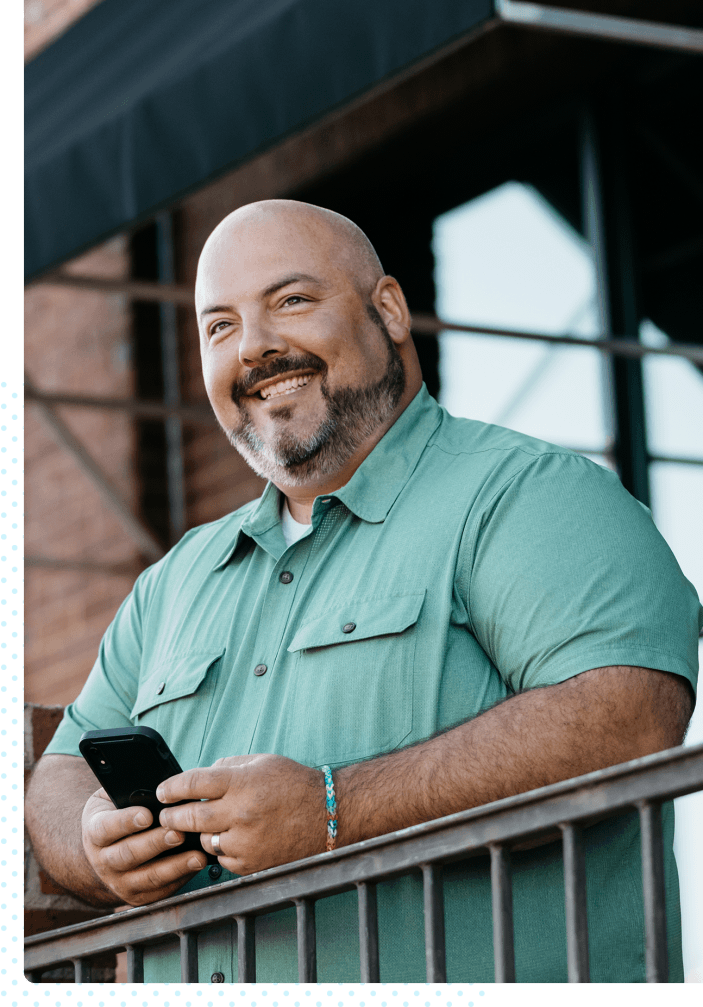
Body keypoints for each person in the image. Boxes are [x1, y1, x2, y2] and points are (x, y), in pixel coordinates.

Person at [27, 200, 700, 983]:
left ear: (387, 309)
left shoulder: (525, 495)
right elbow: (62, 770)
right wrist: (93, 840)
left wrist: (332, 811)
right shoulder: (173, 582)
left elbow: (627, 716)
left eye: (291, 301)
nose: (256, 347)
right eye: (220, 327)